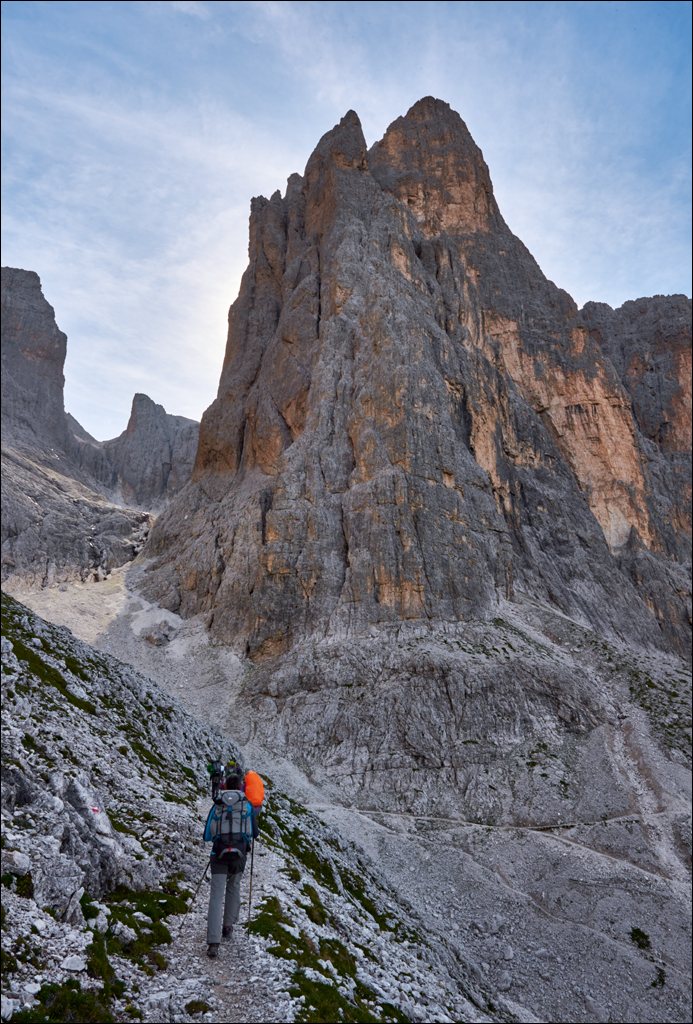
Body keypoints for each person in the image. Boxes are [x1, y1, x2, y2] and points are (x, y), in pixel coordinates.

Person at [205, 770, 258, 958]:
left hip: (219, 853)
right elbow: (255, 832)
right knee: (233, 887)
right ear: (240, 786)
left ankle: (213, 942)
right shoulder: (247, 804)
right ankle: (227, 927)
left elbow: (208, 833)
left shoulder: (217, 804)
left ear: (225, 786)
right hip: (239, 854)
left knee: (216, 895)